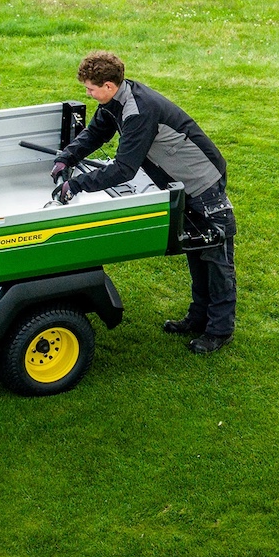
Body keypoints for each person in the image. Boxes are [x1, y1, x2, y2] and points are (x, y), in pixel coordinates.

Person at [53, 51, 236, 353]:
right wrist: (66, 158)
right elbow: (96, 132)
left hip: (203, 184)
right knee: (197, 251)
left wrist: (77, 184)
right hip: (179, 184)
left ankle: (220, 330)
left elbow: (124, 168)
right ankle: (198, 317)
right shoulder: (115, 102)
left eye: (90, 88)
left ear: (109, 85)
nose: (87, 92)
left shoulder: (138, 111)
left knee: (216, 258)